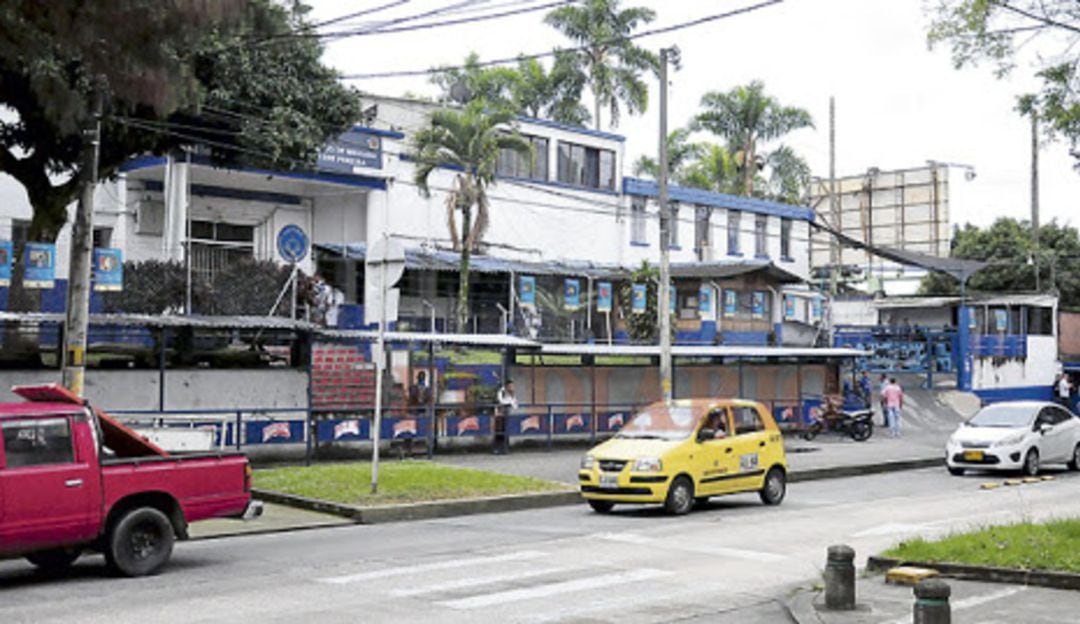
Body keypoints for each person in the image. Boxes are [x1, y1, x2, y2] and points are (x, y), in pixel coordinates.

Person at [494, 379, 518, 454]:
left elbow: (515, 405)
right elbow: (501, 401)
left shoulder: (512, 394)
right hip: (500, 415)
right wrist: (510, 403)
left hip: (507, 416)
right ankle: (497, 449)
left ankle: (505, 449)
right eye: (511, 386)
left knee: (506, 433)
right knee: (499, 432)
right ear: (507, 386)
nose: (512, 387)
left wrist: (512, 403)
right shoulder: (502, 392)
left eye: (513, 386)